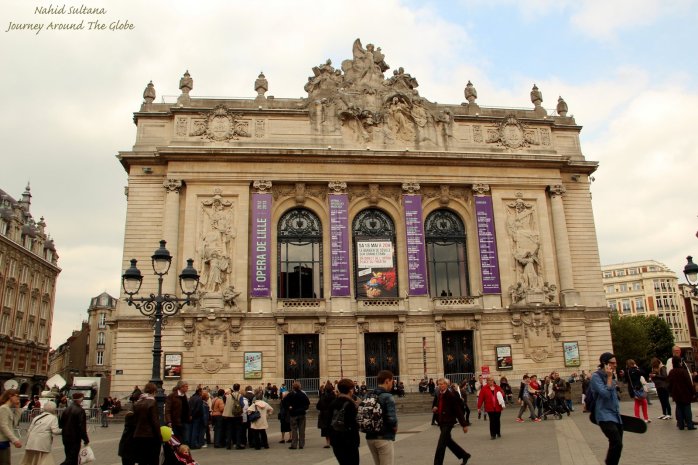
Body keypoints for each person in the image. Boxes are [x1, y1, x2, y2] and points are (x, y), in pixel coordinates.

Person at [591, 352, 623, 465]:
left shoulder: (612, 376)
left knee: (618, 445)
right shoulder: (596, 377)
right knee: (616, 442)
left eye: (615, 363)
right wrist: (609, 378)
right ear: (605, 363)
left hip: (615, 414)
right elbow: (605, 394)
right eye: (612, 363)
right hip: (604, 415)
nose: (615, 365)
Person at [432, 378, 470, 465]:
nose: (440, 386)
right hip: (442, 421)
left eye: (442, 384)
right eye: (439, 384)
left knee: (441, 445)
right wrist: (436, 408)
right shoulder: (440, 394)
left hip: (448, 422)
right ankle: (464, 455)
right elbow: (439, 404)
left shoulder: (451, 395)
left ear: (446, 385)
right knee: (448, 442)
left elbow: (457, 410)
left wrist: (464, 424)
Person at [365, 370, 398, 465]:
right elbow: (392, 419)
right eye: (392, 381)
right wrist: (394, 428)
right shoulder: (387, 396)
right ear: (387, 381)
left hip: (370, 437)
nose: (393, 383)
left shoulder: (369, 394)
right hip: (384, 437)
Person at [19, 400, 60, 465]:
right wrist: (64, 430)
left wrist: (27, 441)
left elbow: (29, 430)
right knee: (45, 461)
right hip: (43, 443)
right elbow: (55, 431)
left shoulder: (37, 417)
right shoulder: (53, 418)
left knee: (29, 461)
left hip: (31, 442)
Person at [329, 378, 360, 465]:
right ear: (350, 390)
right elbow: (353, 424)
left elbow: (329, 422)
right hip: (349, 440)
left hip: (336, 440)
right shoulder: (351, 404)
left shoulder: (333, 403)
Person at [131, 382, 162, 465]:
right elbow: (155, 421)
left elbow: (134, 420)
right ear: (154, 391)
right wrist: (160, 436)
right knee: (152, 460)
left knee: (142, 461)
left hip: (138, 435)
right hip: (150, 436)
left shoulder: (137, 402)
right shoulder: (152, 402)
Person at [666, 355, 696, 430]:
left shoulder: (671, 372)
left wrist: (671, 392)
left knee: (679, 408)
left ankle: (681, 425)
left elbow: (669, 384)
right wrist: (693, 392)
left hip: (676, 394)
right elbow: (689, 383)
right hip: (685, 393)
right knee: (687, 409)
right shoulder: (683, 371)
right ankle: (689, 425)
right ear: (680, 362)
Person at [59, 392, 89, 465]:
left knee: (69, 455)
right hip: (75, 437)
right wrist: (85, 439)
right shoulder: (80, 410)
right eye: (82, 398)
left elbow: (60, 424)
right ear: (80, 399)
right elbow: (82, 427)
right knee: (72, 458)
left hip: (65, 436)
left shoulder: (66, 410)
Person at [283, 381, 310, 449]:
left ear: (293, 387)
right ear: (299, 387)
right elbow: (307, 403)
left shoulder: (290, 394)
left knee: (294, 430)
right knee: (302, 430)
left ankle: (294, 444)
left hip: (293, 414)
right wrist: (304, 409)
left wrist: (289, 407)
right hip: (301, 414)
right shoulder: (302, 394)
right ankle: (301, 444)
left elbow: (284, 401)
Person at [0, 389, 22, 465]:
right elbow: (3, 426)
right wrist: (14, 440)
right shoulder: (4, 408)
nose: (18, 398)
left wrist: (17, 408)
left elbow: (13, 424)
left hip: (4, 442)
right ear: (10, 396)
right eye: (17, 396)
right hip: (1, 442)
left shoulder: (8, 409)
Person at [165, 381, 191, 445]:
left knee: (185, 440)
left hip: (185, 421)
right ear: (181, 387)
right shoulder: (172, 396)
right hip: (176, 422)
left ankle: (183, 453)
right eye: (186, 386)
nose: (187, 388)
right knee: (177, 440)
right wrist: (169, 421)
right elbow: (167, 410)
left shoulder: (184, 396)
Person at [316, 381, 336, 448]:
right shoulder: (334, 397)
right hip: (333, 414)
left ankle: (328, 442)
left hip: (324, 414)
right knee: (332, 428)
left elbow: (318, 406)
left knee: (326, 429)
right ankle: (333, 441)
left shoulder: (323, 397)